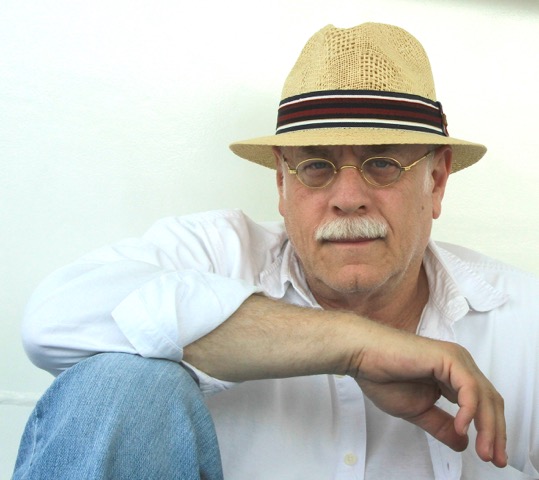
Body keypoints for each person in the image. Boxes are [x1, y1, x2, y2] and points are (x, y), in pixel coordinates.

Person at [12, 22, 539, 480]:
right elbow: (52, 320)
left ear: (437, 180)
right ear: (282, 185)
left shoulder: (523, 322)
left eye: (382, 163)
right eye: (315, 166)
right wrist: (353, 345)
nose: (348, 198)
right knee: (117, 384)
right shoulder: (216, 254)